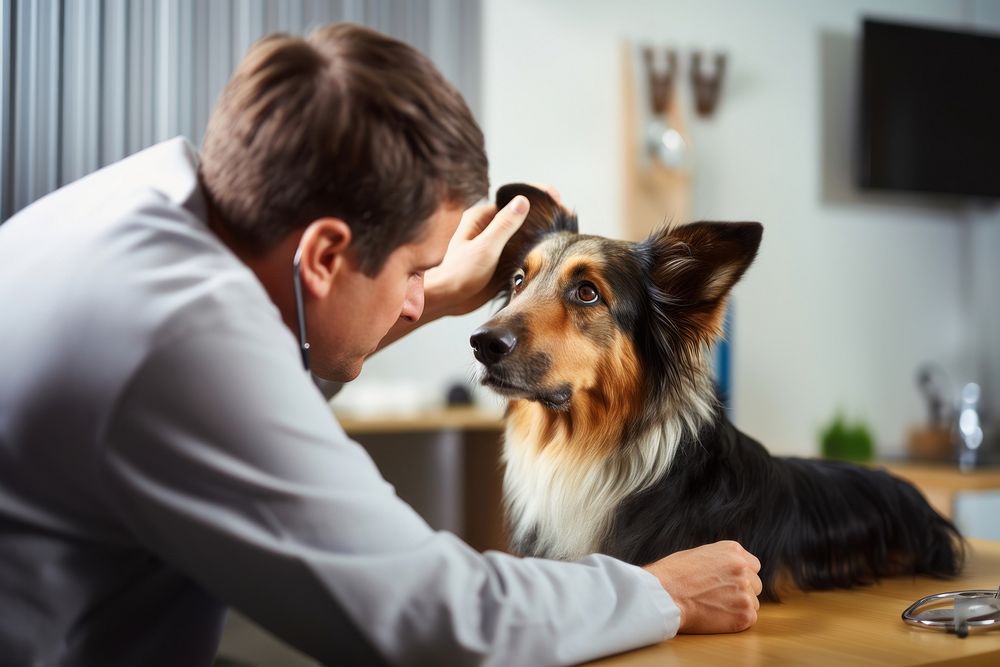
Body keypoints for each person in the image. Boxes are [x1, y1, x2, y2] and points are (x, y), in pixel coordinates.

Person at [0, 23, 761, 666]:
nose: (416, 297)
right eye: (414, 268)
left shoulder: (136, 206)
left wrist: (428, 295)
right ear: (327, 254)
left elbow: (260, 356)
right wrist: (665, 591)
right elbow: (434, 614)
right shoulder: (178, 339)